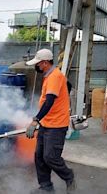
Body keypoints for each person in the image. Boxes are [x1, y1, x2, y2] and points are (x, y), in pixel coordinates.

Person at [25, 49, 76, 193]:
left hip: (57, 125)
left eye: (38, 64)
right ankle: (46, 187)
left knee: (50, 157)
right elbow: (68, 85)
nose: (37, 67)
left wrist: (35, 120)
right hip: (47, 123)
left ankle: (69, 176)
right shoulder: (53, 75)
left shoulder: (54, 76)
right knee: (39, 156)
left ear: (45, 63)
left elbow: (49, 101)